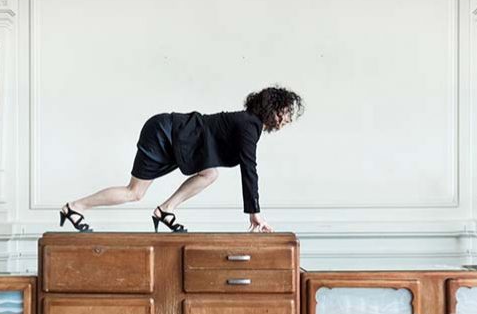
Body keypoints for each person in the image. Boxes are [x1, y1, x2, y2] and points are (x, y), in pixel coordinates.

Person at [59, 85, 304, 233]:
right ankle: (74, 207)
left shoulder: (249, 123)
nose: (286, 119)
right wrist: (255, 213)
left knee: (210, 173)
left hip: (174, 136)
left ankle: (165, 210)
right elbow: (249, 168)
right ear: (273, 109)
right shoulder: (249, 125)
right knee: (134, 192)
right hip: (164, 132)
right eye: (284, 112)